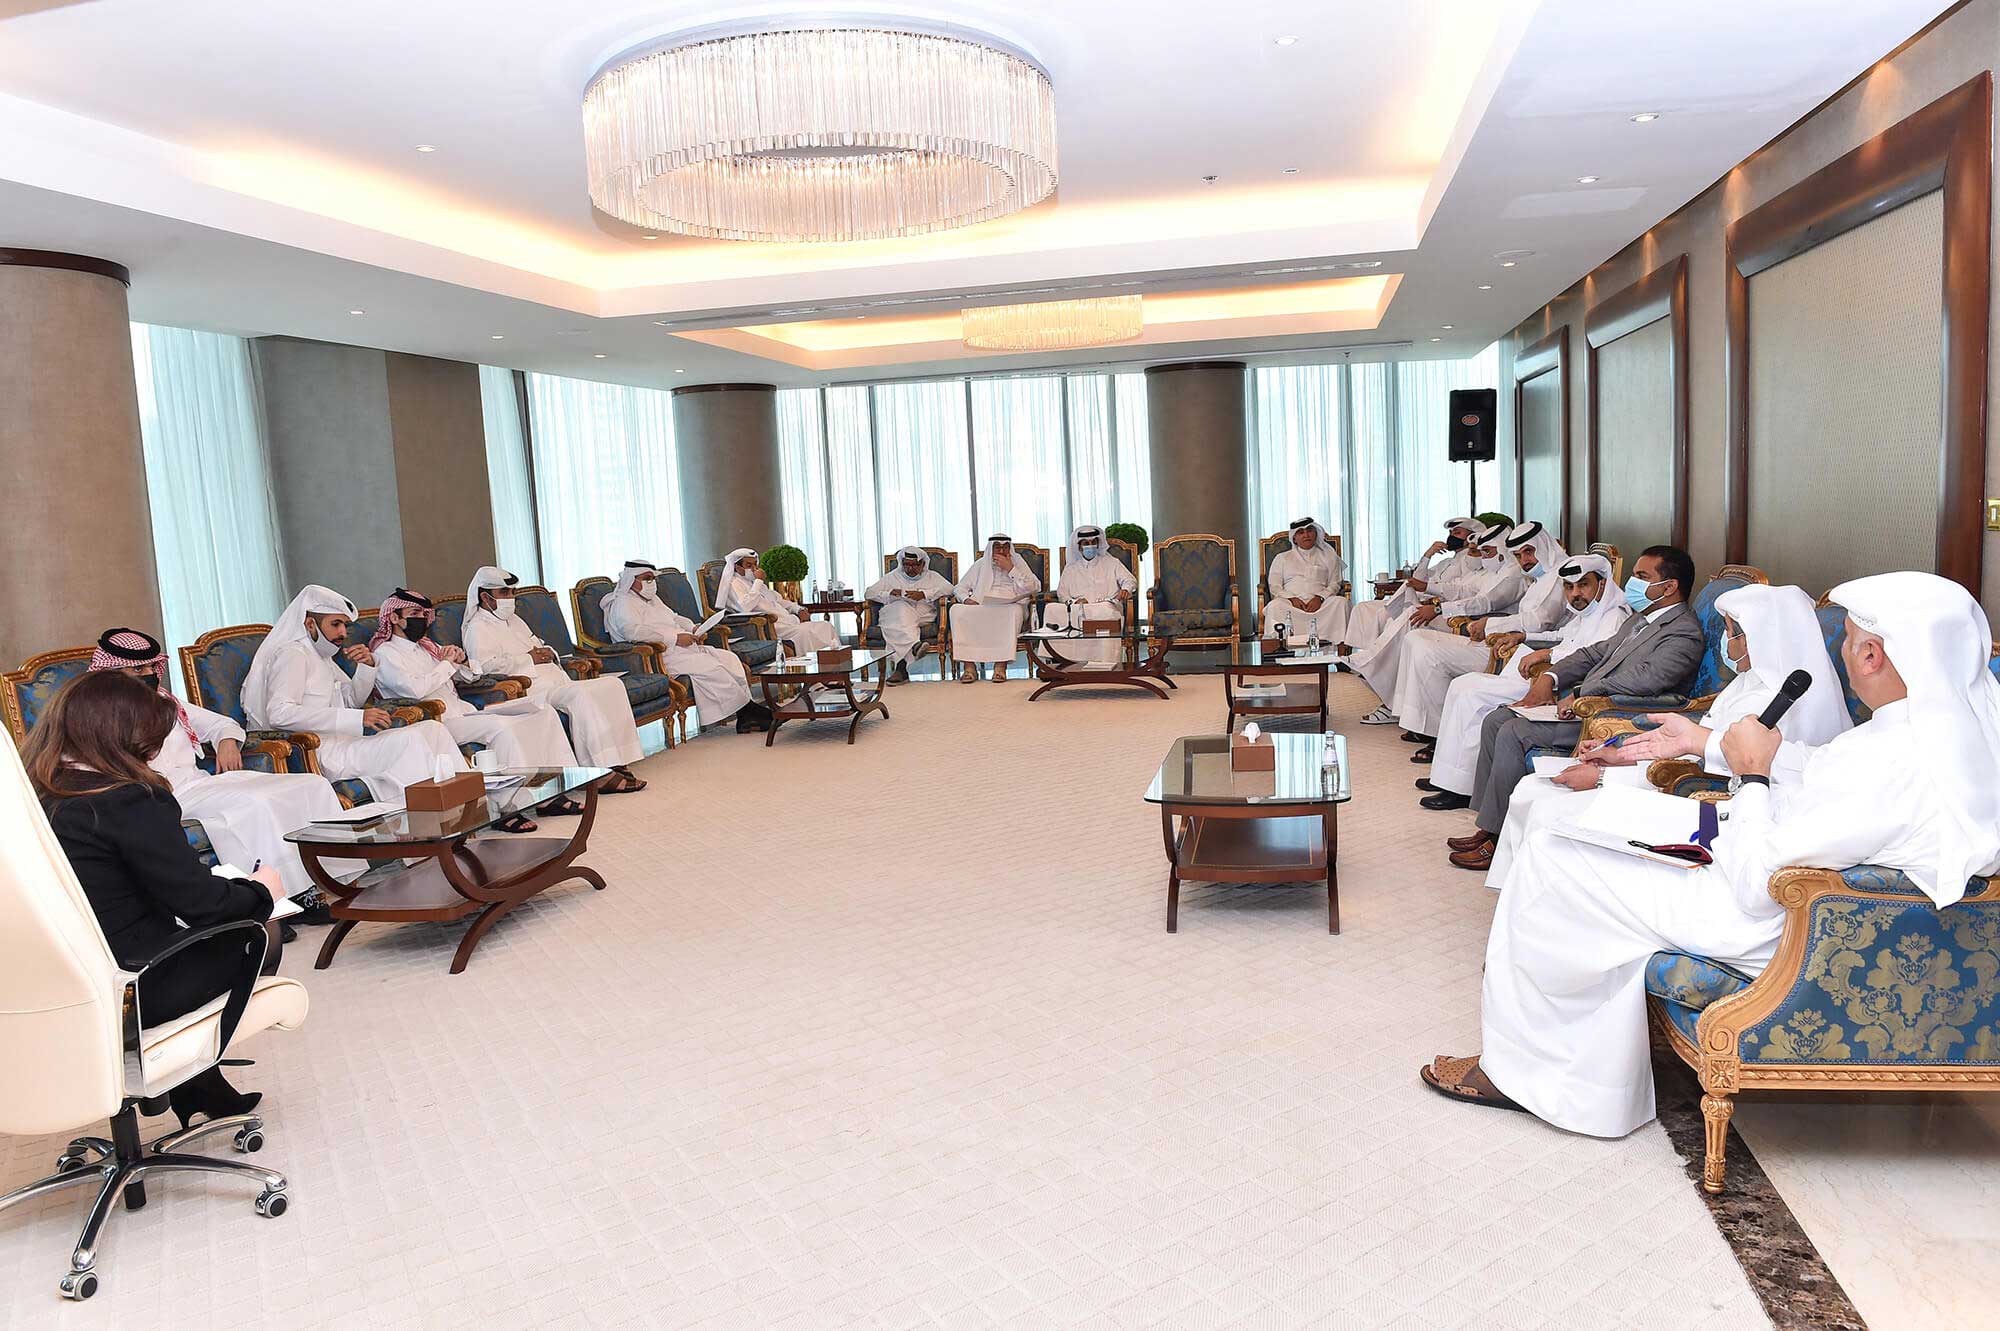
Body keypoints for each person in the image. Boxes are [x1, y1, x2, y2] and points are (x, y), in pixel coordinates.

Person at [1422, 571, 2000, 1136]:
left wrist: (1752, 780)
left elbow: (1756, 884)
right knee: (1585, 829)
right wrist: (1703, 742)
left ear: (1871, 655)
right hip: (1811, 899)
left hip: (1779, 923)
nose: (1843, 654)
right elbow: (1817, 770)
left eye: (1847, 640)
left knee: (1554, 857)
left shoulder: (1893, 758)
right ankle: (1572, 1061)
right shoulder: (1946, 731)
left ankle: (1537, 1079)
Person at [26, 670, 289, 1128]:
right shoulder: (127, 800)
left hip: (54, 984)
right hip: (132, 984)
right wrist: (261, 890)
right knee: (262, 933)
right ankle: (183, 1071)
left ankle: (199, 1087)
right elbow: (203, 904)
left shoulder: (35, 795)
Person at [1484, 582, 1852, 887]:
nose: (1726, 642)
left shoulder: (1774, 700)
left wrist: (1605, 777)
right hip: (1678, 781)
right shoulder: (1749, 681)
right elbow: (1694, 743)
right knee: (1533, 790)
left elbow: (1715, 768)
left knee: (1548, 809)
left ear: (1760, 637)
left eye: (1731, 633)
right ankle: (1519, 899)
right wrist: (1619, 752)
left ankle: (1535, 906)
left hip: (1708, 804)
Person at [1425, 545, 1705, 871]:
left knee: (1514, 732)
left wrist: (1583, 693)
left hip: (1619, 717)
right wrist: (1552, 676)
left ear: (1669, 587)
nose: (1632, 583)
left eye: (1642, 576)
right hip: (1590, 704)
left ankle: (1497, 841)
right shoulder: (1640, 620)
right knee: (1496, 718)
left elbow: (1646, 680)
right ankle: (1488, 827)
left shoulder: (1683, 631)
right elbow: (1594, 653)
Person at [86, 627, 346, 901]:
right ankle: (282, 899)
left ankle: (328, 881)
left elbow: (221, 724)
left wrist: (226, 742)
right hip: (164, 795)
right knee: (255, 802)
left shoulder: (165, 700)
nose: (149, 674)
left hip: (200, 783)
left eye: (152, 667)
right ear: (112, 673)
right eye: (138, 670)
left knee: (311, 784)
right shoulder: (100, 714)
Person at [369, 589, 583, 831]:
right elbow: (415, 690)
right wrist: (446, 664)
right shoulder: (385, 654)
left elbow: (470, 677)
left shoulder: (427, 646)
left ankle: (554, 791)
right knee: (500, 727)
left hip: (464, 712)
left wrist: (460, 661)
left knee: (542, 712)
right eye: (414, 613)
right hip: (437, 722)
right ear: (394, 618)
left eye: (423, 613)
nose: (422, 618)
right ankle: (507, 807)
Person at [1422, 554, 1628, 801]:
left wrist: (1547, 655)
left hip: (1561, 686)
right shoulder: (1586, 612)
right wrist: (1524, 637)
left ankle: (1460, 788)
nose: (1575, 594)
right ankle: (1447, 778)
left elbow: (1594, 657)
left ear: (1602, 584)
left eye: (1583, 585)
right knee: (1461, 685)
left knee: (1472, 696)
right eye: (1569, 587)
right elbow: (1562, 636)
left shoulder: (1614, 617)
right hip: (1544, 675)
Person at [243, 584, 462, 805]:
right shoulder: (293, 655)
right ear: (310, 624)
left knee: (433, 729)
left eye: (345, 625)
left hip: (347, 743)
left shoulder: (323, 656)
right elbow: (279, 713)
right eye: (335, 624)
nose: (343, 633)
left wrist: (367, 667)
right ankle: (426, 813)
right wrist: (357, 718)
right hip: (323, 751)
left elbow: (350, 700)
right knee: (410, 740)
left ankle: (467, 802)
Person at [460, 567, 648, 792]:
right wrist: (528, 658)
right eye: (504, 593)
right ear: (485, 597)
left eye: (512, 592)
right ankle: (598, 772)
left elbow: (539, 644)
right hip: (532, 689)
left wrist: (548, 652)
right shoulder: (477, 628)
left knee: (612, 684)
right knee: (581, 694)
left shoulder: (515, 620)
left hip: (556, 680)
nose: (511, 598)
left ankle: (617, 761)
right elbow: (485, 667)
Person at [1390, 522, 1568, 757]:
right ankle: (1417, 720)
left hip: (1515, 648)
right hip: (1498, 637)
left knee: (1429, 653)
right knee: (1415, 637)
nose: (1524, 560)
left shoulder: (1557, 577)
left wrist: (1489, 624)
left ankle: (1435, 732)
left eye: (1529, 552)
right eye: (1518, 555)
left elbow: (1538, 621)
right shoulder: (1536, 577)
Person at [1350, 521, 1522, 724]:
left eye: (1486, 552)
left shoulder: (1511, 574)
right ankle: (1383, 680)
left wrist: (1440, 609)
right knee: (1408, 622)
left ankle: (1374, 666)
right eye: (1479, 552)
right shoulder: (1494, 571)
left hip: (1480, 630)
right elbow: (1462, 589)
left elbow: (1485, 602)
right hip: (1463, 619)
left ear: (1502, 549)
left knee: (1411, 618)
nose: (1482, 557)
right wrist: (1427, 585)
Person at [602, 561, 770, 729]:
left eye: (653, 579)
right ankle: (748, 713)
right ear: (631, 579)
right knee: (712, 667)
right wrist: (675, 638)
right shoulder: (623, 603)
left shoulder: (652, 599)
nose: (651, 583)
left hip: (683, 649)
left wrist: (693, 628)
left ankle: (746, 711)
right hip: (660, 656)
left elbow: (674, 617)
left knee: (729, 659)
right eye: (647, 579)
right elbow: (632, 632)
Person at [1344, 517, 1482, 651]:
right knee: (1362, 608)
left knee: (1384, 614)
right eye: (1450, 533)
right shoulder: (1446, 562)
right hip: (1417, 598)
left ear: (1471, 536)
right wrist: (1428, 555)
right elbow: (1418, 579)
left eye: (1457, 533)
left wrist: (1428, 590)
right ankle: (1355, 651)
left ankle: (1370, 655)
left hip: (1433, 605)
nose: (1451, 537)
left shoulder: (1471, 561)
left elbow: (1461, 590)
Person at [951, 533, 1042, 683]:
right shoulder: (981, 564)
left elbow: (1034, 587)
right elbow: (959, 588)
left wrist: (1010, 568)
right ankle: (969, 667)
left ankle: (1000, 666)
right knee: (956, 610)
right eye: (997, 547)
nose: (1001, 551)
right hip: (982, 604)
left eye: (1005, 547)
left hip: (1010, 605)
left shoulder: (1017, 562)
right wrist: (966, 599)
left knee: (1014, 612)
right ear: (991, 549)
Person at [716, 548, 841, 654]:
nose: (754, 569)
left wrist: (798, 609)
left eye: (755, 565)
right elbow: (744, 607)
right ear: (737, 567)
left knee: (826, 626)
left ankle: (835, 668)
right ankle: (812, 672)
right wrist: (758, 581)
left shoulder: (754, 582)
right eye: (749, 566)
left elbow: (778, 600)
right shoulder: (734, 584)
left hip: (788, 621)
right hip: (771, 625)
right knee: (806, 633)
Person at [1047, 524, 1138, 665]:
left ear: (1098, 543)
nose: (1090, 546)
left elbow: (1130, 580)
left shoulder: (1112, 562)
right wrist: (1075, 602)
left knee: (1107, 610)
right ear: (1079, 547)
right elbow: (1062, 594)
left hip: (1105, 607)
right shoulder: (1071, 568)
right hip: (1079, 609)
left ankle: (1107, 662)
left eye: (1093, 542)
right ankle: (1062, 661)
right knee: (1051, 608)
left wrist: (1126, 589)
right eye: (1086, 543)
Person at [864, 547, 955, 683]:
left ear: (923, 564)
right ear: (902, 563)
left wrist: (924, 594)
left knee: (898, 622)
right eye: (907, 564)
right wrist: (888, 593)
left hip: (922, 614)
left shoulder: (932, 576)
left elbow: (951, 589)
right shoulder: (893, 576)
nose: (910, 569)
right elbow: (869, 593)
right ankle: (913, 647)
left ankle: (902, 667)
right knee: (901, 611)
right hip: (894, 614)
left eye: (914, 565)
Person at [1259, 518, 1348, 645]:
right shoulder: (1282, 558)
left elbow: (1335, 583)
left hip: (1322, 605)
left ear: (1316, 533)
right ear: (1294, 538)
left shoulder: (1329, 556)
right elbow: (1275, 586)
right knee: (1275, 606)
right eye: (1301, 532)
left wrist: (1320, 598)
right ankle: (1279, 647)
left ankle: (1339, 646)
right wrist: (1292, 599)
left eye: (1309, 530)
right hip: (1291, 605)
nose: (1306, 535)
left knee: (1341, 603)